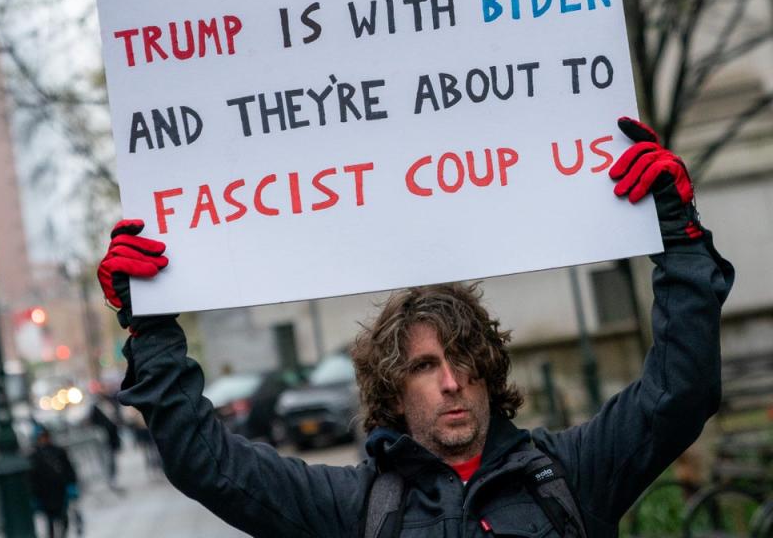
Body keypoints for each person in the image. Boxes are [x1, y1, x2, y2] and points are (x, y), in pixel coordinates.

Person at [96, 118, 734, 537]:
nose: (452, 382)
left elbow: (680, 392)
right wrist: (152, 329)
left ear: (489, 373)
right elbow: (207, 463)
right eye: (425, 367)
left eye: (463, 360)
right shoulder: (355, 509)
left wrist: (679, 240)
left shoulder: (569, 473)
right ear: (395, 393)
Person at [29, 424, 79, 538]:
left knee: (63, 516)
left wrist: (71, 485)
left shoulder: (58, 452)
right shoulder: (34, 457)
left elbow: (68, 469)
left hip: (60, 490)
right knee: (50, 519)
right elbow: (32, 478)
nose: (43, 440)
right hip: (45, 493)